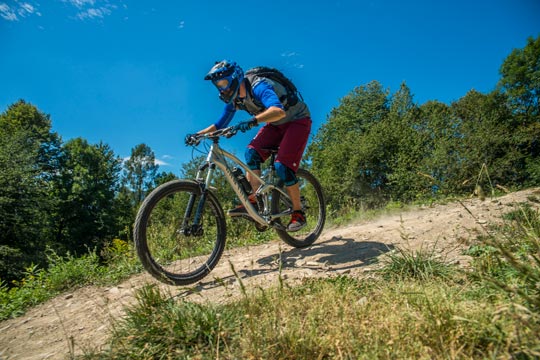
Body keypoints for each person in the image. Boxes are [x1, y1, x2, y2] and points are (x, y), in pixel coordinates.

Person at [187, 60, 312, 232]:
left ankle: (298, 212)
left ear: (235, 78)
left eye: (224, 83)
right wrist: (198, 135)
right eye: (218, 85)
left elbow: (278, 111)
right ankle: (255, 202)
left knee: (282, 167)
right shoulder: (235, 100)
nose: (222, 89)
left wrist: (253, 121)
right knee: (251, 153)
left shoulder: (259, 86)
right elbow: (219, 125)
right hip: (275, 125)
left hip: (297, 120)